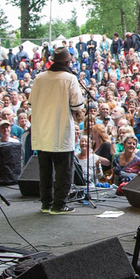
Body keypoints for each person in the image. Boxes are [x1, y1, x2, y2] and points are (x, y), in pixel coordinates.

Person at [29, 46, 84, 215]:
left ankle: (46, 203)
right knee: (63, 171)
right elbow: (77, 105)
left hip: (42, 131)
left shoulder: (39, 78)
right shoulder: (70, 78)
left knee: (45, 171)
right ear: (67, 62)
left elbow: (31, 102)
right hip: (61, 131)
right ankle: (59, 205)